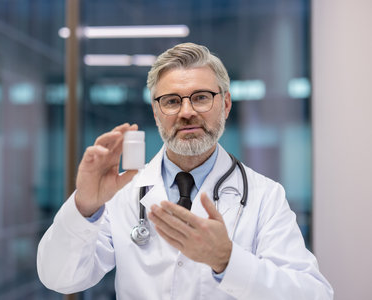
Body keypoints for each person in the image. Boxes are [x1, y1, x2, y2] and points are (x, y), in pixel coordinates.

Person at [37, 43, 333, 299]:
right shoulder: (122, 192)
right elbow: (60, 277)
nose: (187, 111)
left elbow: (313, 294)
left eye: (201, 97)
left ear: (226, 103)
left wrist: (227, 260)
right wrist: (85, 206)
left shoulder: (265, 196)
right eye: (172, 101)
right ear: (156, 112)